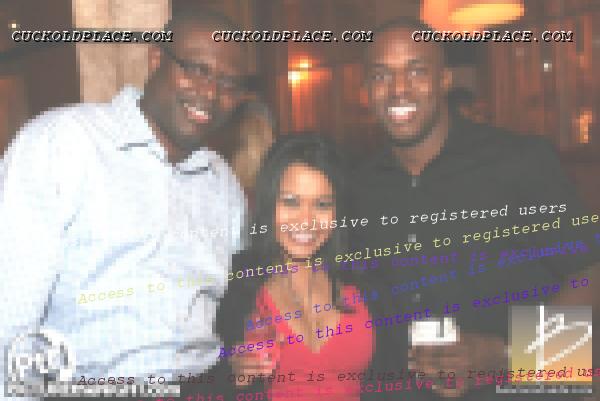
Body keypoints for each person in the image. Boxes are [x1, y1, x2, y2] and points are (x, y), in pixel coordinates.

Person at [0, 8, 249, 396]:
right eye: (197, 70)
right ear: (156, 59)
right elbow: (10, 326)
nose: (211, 93)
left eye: (229, 83)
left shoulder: (223, 184)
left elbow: (235, 311)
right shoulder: (62, 144)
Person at [351, 17, 600, 401]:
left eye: (416, 71)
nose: (399, 88)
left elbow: (590, 275)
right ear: (366, 91)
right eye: (381, 76)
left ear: (445, 80)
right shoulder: (356, 187)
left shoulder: (519, 161)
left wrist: (505, 353)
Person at [216, 134, 373, 401]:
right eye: (291, 201)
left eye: (322, 204)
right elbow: (201, 370)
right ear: (269, 204)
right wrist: (230, 371)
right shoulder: (237, 286)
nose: (306, 221)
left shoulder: (365, 279)